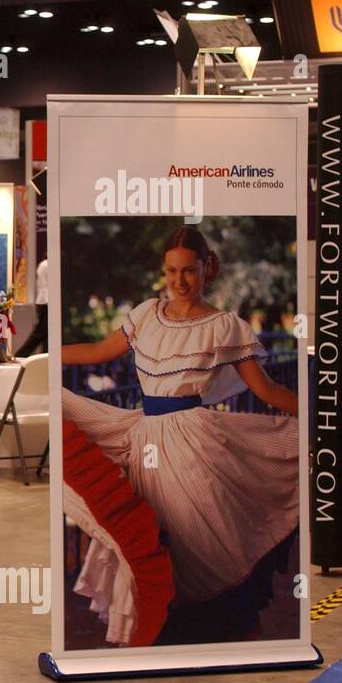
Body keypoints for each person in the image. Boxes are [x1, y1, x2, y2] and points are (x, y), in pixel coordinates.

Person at [60, 226, 298, 645]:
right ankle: (163, 635)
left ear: (207, 269)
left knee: (200, 542)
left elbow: (266, 390)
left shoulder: (224, 326)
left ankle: (210, 635)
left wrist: (320, 415)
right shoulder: (146, 314)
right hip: (146, 440)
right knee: (154, 536)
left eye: (189, 270)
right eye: (171, 271)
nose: (179, 281)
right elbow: (96, 352)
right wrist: (46, 356)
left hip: (194, 446)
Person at [18, 258, 49, 356]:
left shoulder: (43, 264)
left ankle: (22, 354)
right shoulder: (47, 264)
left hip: (43, 301)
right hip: (46, 301)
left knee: (43, 332)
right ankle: (21, 354)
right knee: (40, 332)